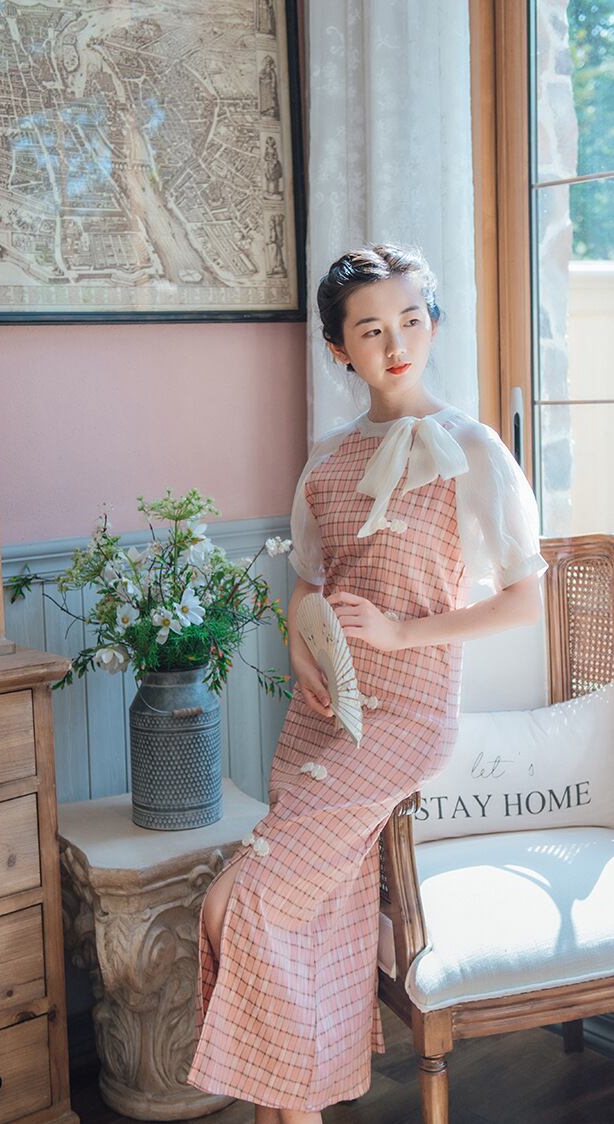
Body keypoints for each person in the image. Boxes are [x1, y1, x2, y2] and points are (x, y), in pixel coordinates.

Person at [186, 242, 549, 1119]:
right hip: (324, 711)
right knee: (309, 930)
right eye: (372, 330)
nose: (397, 345)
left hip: (406, 719)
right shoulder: (328, 459)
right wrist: (301, 649)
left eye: (412, 321)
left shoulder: (474, 450)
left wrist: (400, 632)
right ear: (338, 349)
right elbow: (309, 584)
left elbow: (525, 602)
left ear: (433, 326)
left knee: (234, 906)